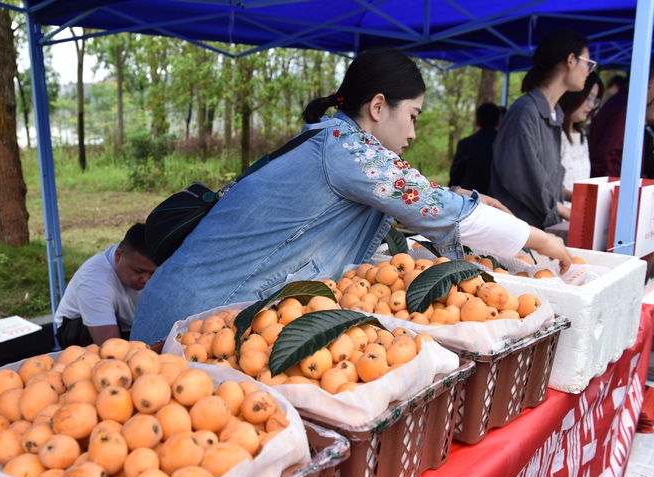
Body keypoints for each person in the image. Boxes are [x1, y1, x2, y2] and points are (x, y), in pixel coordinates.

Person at [130, 48, 572, 346]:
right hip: (189, 319)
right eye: (412, 116)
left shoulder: (338, 143)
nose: (414, 133)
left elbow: (406, 197)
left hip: (202, 309)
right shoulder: (347, 149)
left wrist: (457, 194)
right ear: (378, 107)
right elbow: (430, 206)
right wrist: (543, 240)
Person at [489, 29, 593, 229]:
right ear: (571, 60)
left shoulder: (555, 114)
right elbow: (524, 181)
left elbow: (547, 180)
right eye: (587, 63)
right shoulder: (525, 112)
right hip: (518, 235)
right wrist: (572, 214)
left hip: (540, 231)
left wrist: (578, 197)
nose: (589, 71)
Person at [55, 223, 157, 347]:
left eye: (152, 272)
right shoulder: (94, 280)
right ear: (118, 256)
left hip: (127, 324)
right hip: (80, 327)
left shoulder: (162, 266)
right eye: (138, 271)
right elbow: (110, 346)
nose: (145, 279)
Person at [589, 60, 654, 178]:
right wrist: (614, 189)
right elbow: (605, 153)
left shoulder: (622, 102)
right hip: (614, 189)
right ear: (651, 82)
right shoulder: (629, 109)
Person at [558, 71, 604, 207]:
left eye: (595, 100)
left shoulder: (582, 134)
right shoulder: (554, 132)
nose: (591, 105)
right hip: (556, 217)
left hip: (579, 213)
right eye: (588, 98)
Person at [449, 102, 503, 194]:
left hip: (470, 200)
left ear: (477, 121)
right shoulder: (505, 145)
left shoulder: (465, 144)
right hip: (498, 202)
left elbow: (455, 176)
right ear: (498, 122)